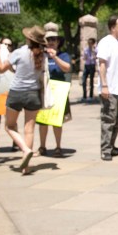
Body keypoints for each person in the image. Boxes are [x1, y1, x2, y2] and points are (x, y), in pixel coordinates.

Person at [0, 26, 47, 175]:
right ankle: (26, 166)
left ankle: (25, 149)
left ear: (28, 38)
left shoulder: (19, 52)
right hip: (33, 94)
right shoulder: (42, 55)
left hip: (17, 92)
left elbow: (1, 68)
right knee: (29, 129)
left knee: (9, 126)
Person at [98, 15, 118, 161]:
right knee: (108, 120)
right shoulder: (106, 42)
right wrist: (104, 85)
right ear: (113, 27)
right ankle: (105, 149)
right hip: (110, 89)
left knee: (117, 121)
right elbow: (102, 64)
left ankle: (111, 146)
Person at [37, 22, 72, 158]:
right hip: (44, 90)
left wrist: (54, 57)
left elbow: (66, 68)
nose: (51, 42)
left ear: (58, 42)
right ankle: (42, 146)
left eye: (53, 40)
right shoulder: (40, 55)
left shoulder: (63, 55)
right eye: (48, 40)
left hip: (58, 89)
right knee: (43, 121)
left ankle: (58, 146)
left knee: (57, 121)